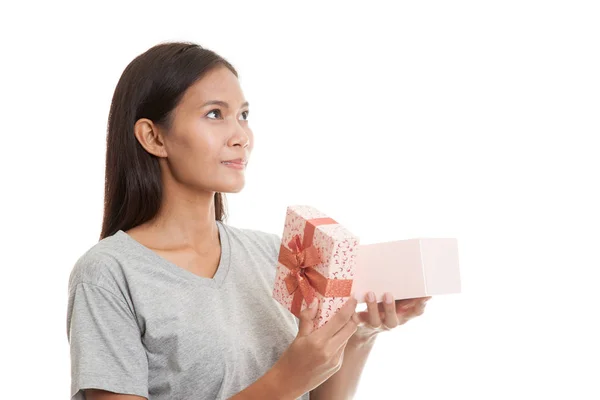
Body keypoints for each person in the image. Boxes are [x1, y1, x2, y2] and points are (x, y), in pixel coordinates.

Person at [66, 41, 430, 400]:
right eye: (214, 114)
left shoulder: (277, 255)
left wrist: (358, 333)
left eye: (243, 115)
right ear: (153, 136)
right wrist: (284, 381)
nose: (241, 136)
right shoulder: (109, 274)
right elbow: (290, 383)